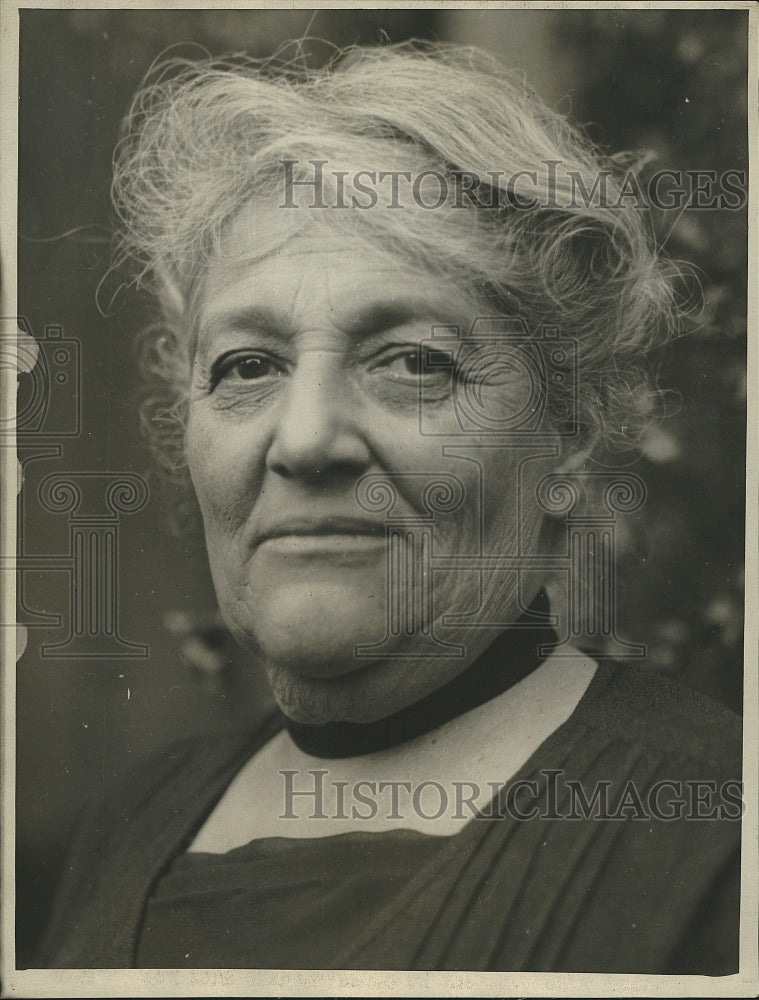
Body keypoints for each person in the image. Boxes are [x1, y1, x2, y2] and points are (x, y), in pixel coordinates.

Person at [38, 42, 741, 974]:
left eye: (413, 361)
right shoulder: (133, 826)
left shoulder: (713, 831)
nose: (305, 440)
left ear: (566, 437)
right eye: (248, 366)